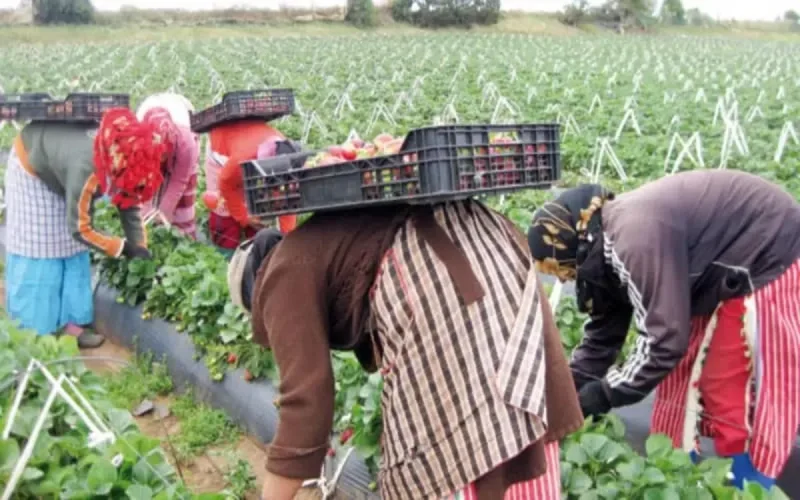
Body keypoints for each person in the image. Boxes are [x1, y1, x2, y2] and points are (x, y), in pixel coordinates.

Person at [227, 200, 584, 500]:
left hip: (437, 277)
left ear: (254, 296)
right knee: (510, 420)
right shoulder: (319, 241)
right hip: (489, 245)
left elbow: (306, 403)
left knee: (450, 453)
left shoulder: (281, 274)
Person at [526, 169, 800, 490]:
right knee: (679, 379)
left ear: (573, 242)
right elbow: (603, 337)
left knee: (760, 381)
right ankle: (676, 474)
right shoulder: (600, 252)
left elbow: (664, 342)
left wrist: (602, 394)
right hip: (707, 274)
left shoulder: (631, 237)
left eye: (560, 267)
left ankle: (753, 485)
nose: (562, 278)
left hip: (768, 248)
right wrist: (568, 395)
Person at [4, 108, 167, 348]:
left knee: (71, 252)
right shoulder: (87, 168)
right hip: (32, 168)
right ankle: (34, 336)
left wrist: (140, 246)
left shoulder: (123, 157)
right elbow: (80, 228)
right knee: (40, 255)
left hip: (62, 170)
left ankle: (72, 328)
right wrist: (121, 248)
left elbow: (129, 199)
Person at [202, 119, 298, 256]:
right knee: (224, 212)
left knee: (256, 208)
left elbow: (287, 201)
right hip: (222, 148)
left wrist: (288, 240)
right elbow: (226, 185)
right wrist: (244, 217)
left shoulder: (286, 154)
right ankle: (224, 256)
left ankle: (253, 251)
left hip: (248, 144)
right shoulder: (241, 159)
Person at [136, 94, 201, 238]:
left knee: (182, 208)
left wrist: (164, 214)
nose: (161, 159)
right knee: (144, 210)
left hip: (182, 132)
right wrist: (147, 214)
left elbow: (179, 181)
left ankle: (186, 237)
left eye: (164, 154)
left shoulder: (186, 143)